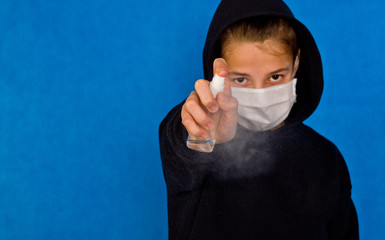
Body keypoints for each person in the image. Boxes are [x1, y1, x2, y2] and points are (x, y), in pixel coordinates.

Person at [159, 0, 359, 239]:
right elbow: (178, 146)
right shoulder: (202, 147)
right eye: (241, 79)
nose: (261, 92)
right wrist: (198, 129)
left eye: (275, 76)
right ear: (218, 74)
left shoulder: (326, 158)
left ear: (296, 63)